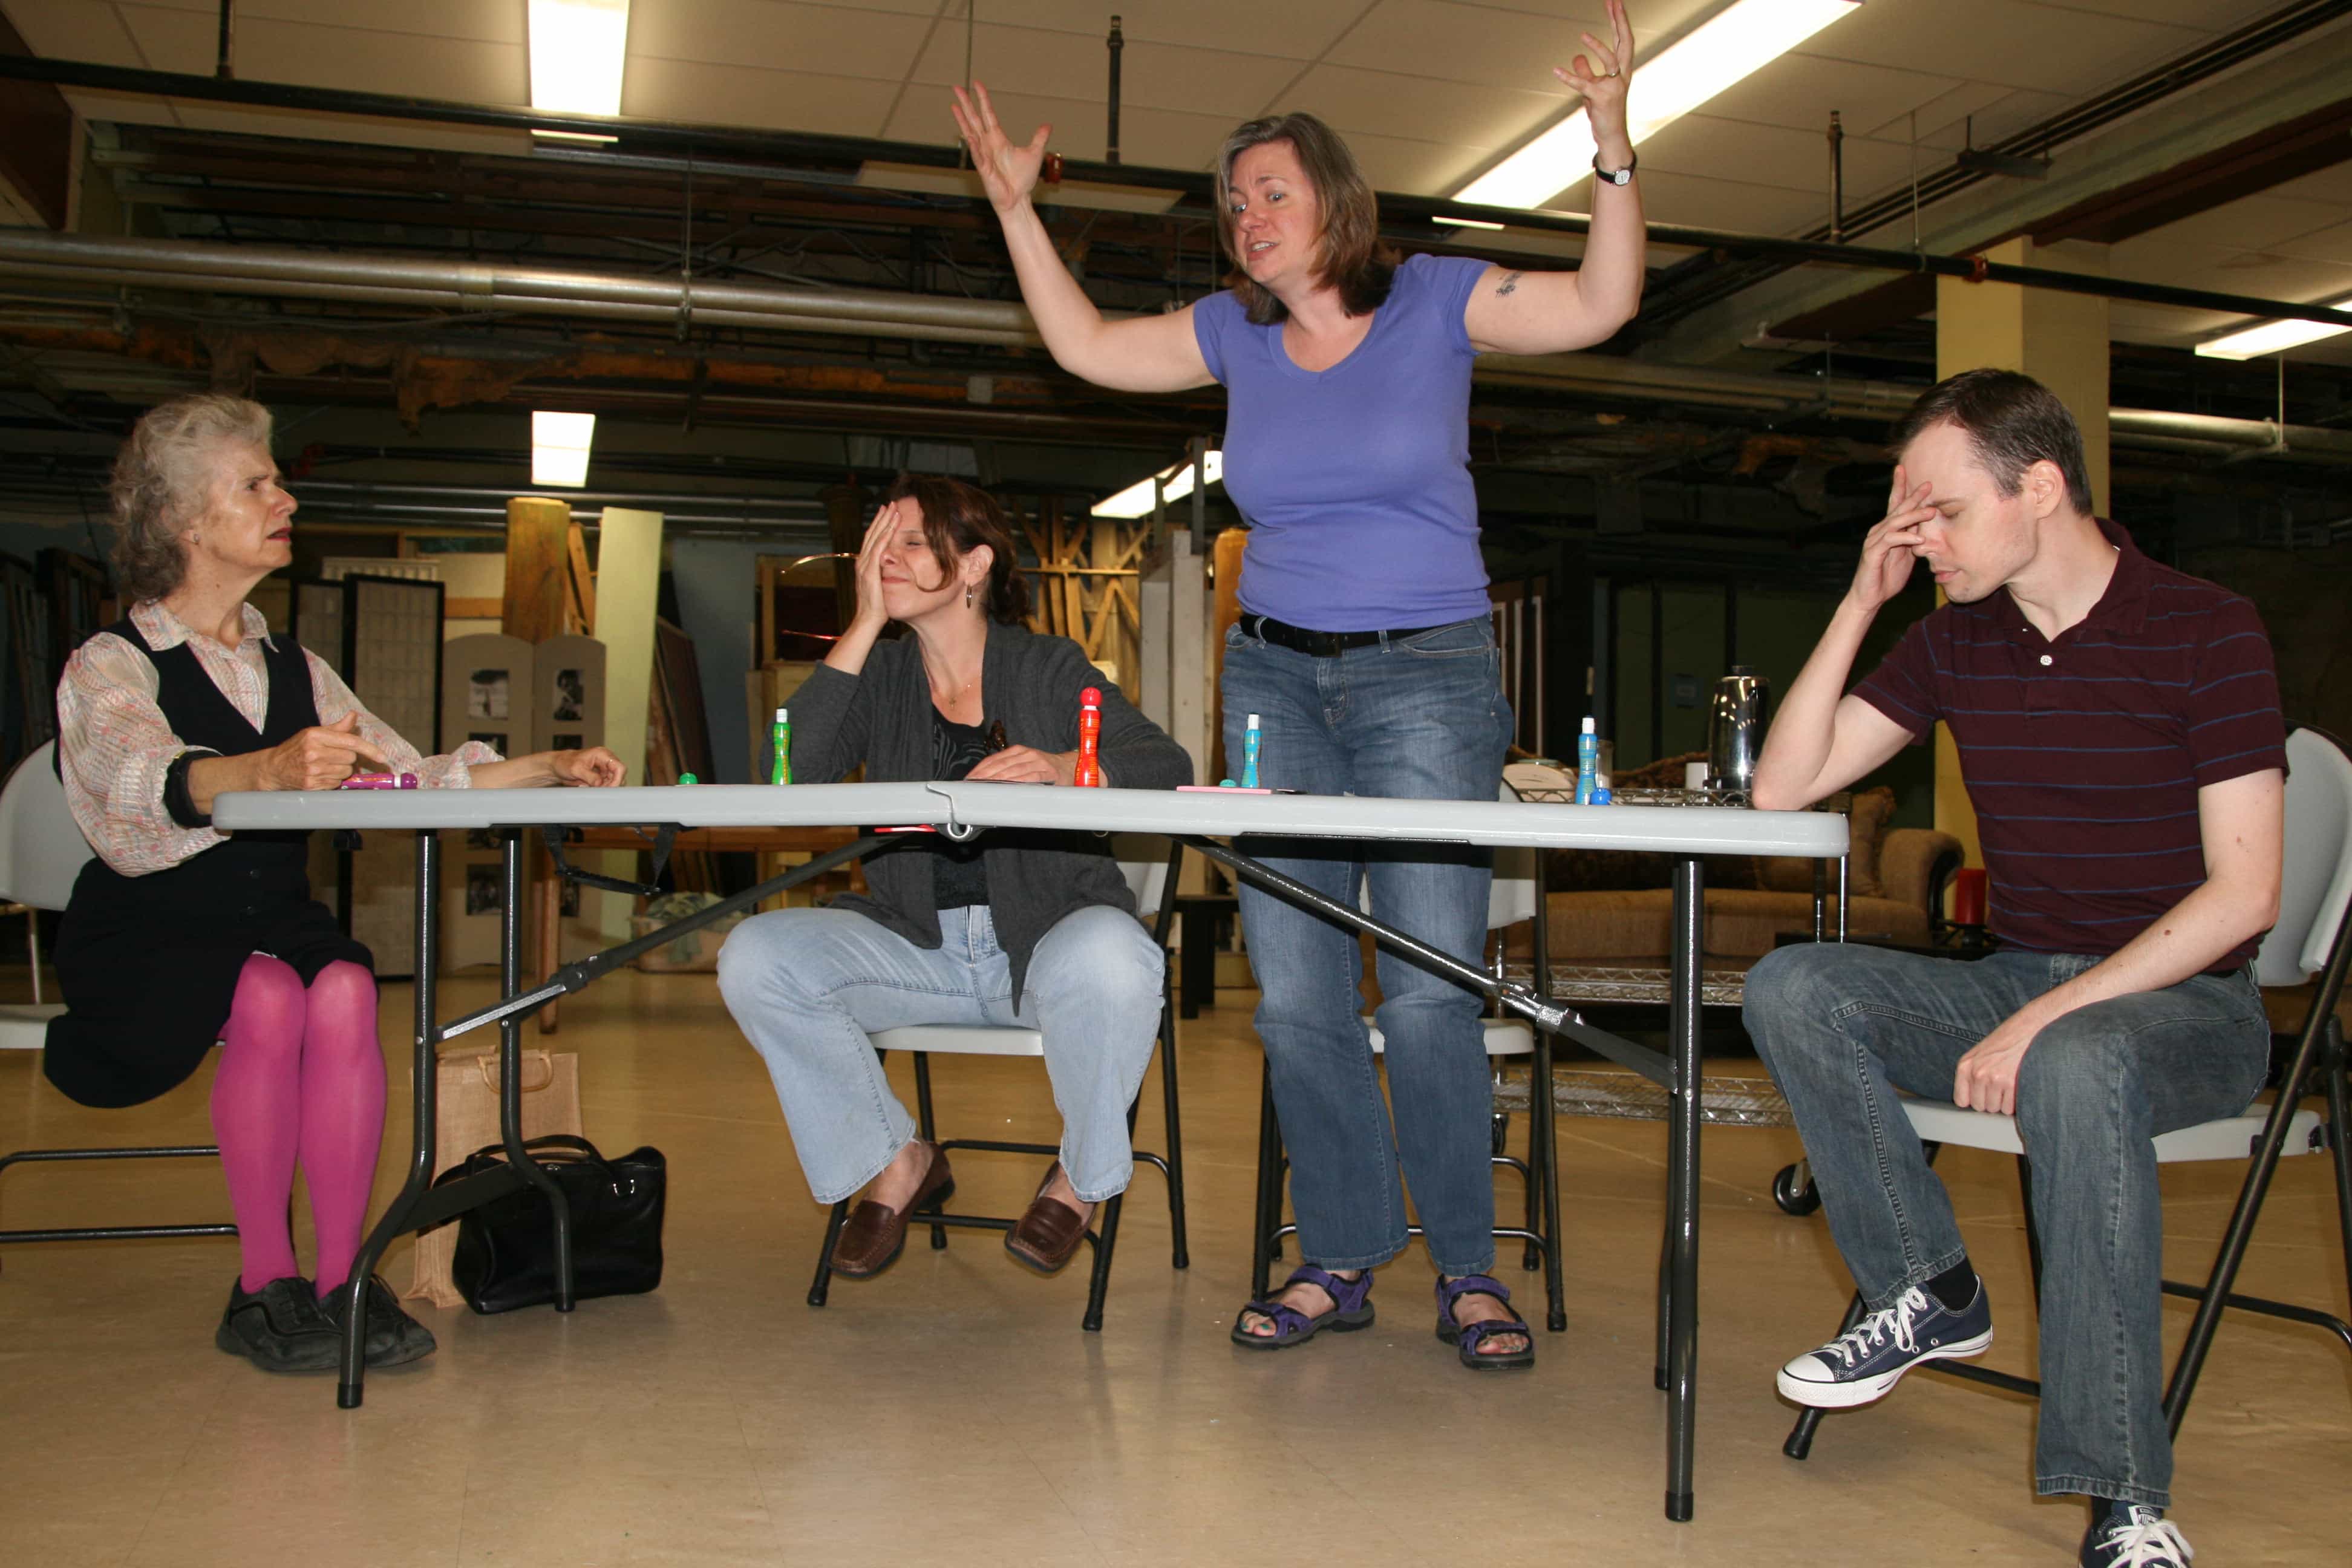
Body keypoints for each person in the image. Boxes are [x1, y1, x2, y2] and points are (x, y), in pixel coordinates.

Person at [950, 4, 1645, 1364]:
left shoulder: (1435, 300)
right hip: (1274, 676)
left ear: (1335, 196)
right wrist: (1016, 212)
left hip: (1427, 677)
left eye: (1272, 190)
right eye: (1233, 202)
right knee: (1300, 992)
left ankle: (1467, 1268)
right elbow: (1087, 347)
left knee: (1430, 984)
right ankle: (1340, 1252)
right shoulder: (1235, 335)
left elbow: (1602, 303)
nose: (1249, 216)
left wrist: (1611, 147)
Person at [1742, 370, 2284, 1568]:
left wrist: (2050, 1019)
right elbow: (1782, 788)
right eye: (1906, 516)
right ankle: (1928, 1289)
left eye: (1939, 511)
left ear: (2039, 488)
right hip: (2025, 977)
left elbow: (2246, 895)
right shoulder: (1954, 639)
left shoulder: (2208, 626)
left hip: (2192, 1009)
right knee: (1792, 986)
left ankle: (2124, 1500)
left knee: (2078, 1061)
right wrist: (1861, 600)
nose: (1919, 538)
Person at [50, 393, 627, 1375]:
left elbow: (405, 777)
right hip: (147, 926)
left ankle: (342, 1280)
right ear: (185, 520)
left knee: (350, 985)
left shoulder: (295, 666)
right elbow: (137, 779)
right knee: (272, 997)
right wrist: (268, 769)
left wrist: (547, 766)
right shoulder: (111, 664)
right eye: (256, 485)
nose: (286, 500)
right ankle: (264, 1283)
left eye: (277, 481)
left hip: (269, 915)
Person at [717, 476, 1192, 1281]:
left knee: (1117, 958)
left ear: (974, 565)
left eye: (908, 542)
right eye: (878, 545)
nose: (885, 559)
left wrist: (1066, 765)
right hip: (916, 949)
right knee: (756, 957)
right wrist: (864, 623)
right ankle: (896, 1159)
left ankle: (1078, 1180)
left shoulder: (1047, 665)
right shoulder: (880, 674)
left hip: (1046, 949)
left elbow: (1165, 762)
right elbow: (785, 773)